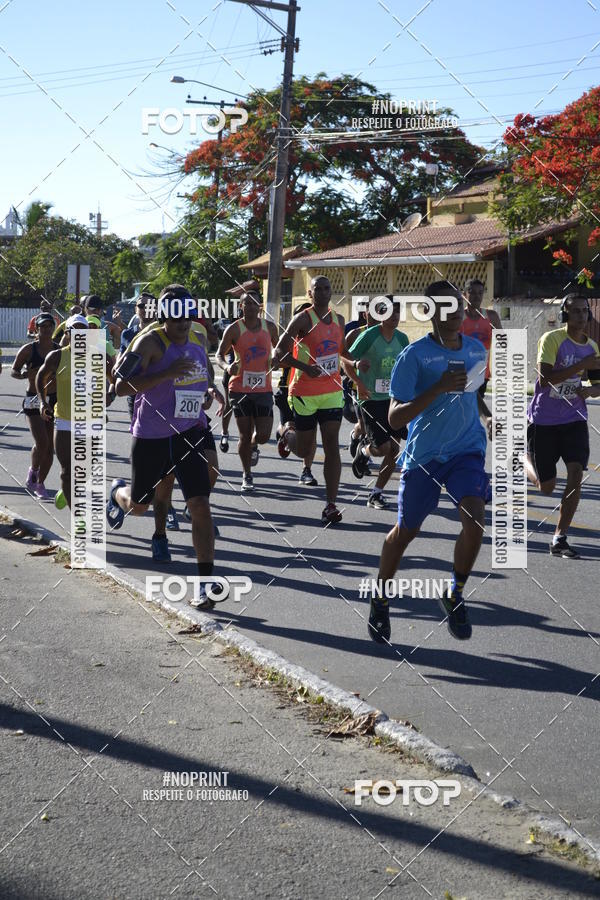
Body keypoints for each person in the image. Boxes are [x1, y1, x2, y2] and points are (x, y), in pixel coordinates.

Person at [368, 281, 492, 645]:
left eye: (458, 306)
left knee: (475, 520)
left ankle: (454, 593)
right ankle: (380, 598)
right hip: (424, 455)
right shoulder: (414, 356)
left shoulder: (474, 349)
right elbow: (393, 418)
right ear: (431, 313)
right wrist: (436, 388)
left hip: (466, 450)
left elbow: (473, 395)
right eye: (446, 308)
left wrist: (488, 416)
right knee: (405, 531)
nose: (455, 313)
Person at [107, 290, 221, 601]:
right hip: (152, 435)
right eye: (176, 315)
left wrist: (207, 394)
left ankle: (203, 585)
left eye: (187, 314)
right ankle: (118, 492)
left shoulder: (198, 338)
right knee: (139, 507)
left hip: (189, 431)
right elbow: (120, 388)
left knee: (200, 504)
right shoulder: (149, 343)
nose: (183, 321)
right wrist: (166, 374)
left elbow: (202, 377)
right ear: (164, 315)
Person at [274, 275, 354, 524]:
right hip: (304, 392)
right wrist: (305, 367)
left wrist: (355, 364)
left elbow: (342, 353)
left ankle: (331, 504)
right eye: (316, 289)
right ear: (310, 294)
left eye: (326, 288)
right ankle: (287, 433)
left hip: (331, 391)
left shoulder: (339, 320)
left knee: (332, 445)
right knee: (305, 450)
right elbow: (278, 354)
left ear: (332, 292)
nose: (322, 292)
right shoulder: (303, 319)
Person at [526, 294, 600, 558]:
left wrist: (592, 391)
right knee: (546, 487)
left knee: (576, 472)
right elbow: (545, 380)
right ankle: (523, 459)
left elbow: (596, 382)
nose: (581, 316)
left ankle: (559, 537)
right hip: (543, 419)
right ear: (565, 315)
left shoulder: (592, 347)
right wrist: (580, 366)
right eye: (575, 312)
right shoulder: (552, 340)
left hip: (573, 419)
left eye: (584, 311)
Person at [344, 298, 409, 509]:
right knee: (382, 448)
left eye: (398, 313)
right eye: (391, 313)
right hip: (370, 398)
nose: (395, 317)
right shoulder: (368, 336)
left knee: (394, 450)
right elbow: (344, 358)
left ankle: (376, 494)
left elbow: (409, 366)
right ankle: (364, 452)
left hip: (393, 399)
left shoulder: (402, 338)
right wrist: (358, 380)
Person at [216, 290, 278, 492]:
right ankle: (247, 474)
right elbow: (219, 354)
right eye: (246, 303)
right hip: (239, 388)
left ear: (260, 306)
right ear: (240, 307)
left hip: (263, 388)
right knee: (243, 434)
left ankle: (254, 443)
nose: (251, 307)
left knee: (263, 435)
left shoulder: (269, 327)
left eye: (254, 303)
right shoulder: (234, 329)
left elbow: (280, 348)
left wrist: (277, 358)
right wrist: (226, 367)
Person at [35, 315, 91, 509]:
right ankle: (78, 515)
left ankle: (68, 490)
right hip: (65, 419)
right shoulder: (57, 356)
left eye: (82, 330)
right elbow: (40, 377)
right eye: (73, 330)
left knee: (83, 471)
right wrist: (43, 403)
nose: (78, 334)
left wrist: (108, 396)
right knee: (67, 471)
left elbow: (113, 378)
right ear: (67, 334)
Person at [11, 312, 60, 499]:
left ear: (53, 328)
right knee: (42, 442)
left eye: (49, 326)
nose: (46, 330)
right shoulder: (28, 350)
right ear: (36, 329)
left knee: (49, 448)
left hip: (53, 399)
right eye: (42, 326)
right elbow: (14, 371)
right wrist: (24, 375)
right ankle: (33, 470)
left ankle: (40, 483)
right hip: (33, 399)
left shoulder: (58, 350)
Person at [273, 301, 317, 486]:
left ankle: (306, 470)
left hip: (312, 391)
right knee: (291, 428)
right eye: (301, 316)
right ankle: (282, 431)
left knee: (312, 433)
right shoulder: (288, 340)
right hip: (287, 390)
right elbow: (275, 361)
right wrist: (299, 363)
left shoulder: (317, 339)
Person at [460, 278, 501, 416]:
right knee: (463, 412)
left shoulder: (491, 316)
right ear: (464, 294)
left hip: (481, 374)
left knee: (474, 414)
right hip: (462, 373)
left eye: (480, 292)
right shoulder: (459, 317)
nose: (477, 296)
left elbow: (503, 342)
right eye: (472, 292)